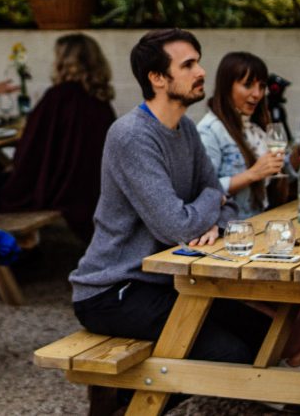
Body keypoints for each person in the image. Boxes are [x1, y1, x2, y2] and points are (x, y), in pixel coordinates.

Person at [70, 29, 268, 396]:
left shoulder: (186, 129)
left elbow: (226, 204)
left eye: (198, 62)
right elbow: (176, 225)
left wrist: (212, 213)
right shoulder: (132, 135)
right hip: (115, 290)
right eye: (188, 65)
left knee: (262, 331)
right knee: (232, 354)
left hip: (167, 281)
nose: (201, 72)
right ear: (158, 78)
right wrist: (211, 200)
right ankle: (128, 402)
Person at [0, 33, 116, 242]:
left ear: (65, 62)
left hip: (65, 191)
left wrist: (14, 169)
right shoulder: (100, 99)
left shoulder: (59, 97)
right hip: (94, 189)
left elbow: (31, 149)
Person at [197, 52, 286, 218]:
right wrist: (253, 174)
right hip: (229, 228)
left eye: (261, 86)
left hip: (258, 222)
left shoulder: (255, 129)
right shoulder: (210, 130)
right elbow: (204, 192)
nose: (257, 94)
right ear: (226, 86)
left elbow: (276, 176)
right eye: (248, 85)